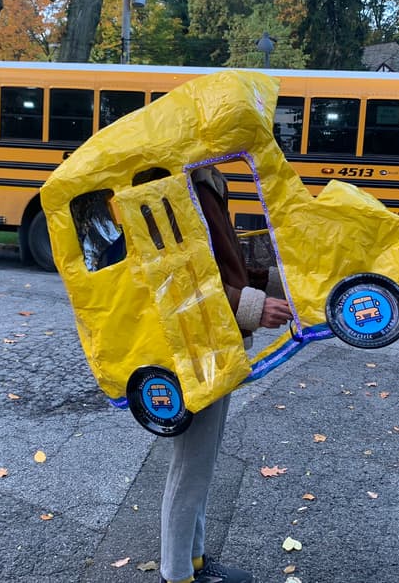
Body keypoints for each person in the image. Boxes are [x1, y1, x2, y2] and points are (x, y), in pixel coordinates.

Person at [159, 165, 292, 583]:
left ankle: (193, 562)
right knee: (190, 464)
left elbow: (221, 265)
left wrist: (276, 284)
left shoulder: (208, 179)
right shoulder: (173, 180)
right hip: (196, 343)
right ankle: (176, 573)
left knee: (201, 459)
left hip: (214, 340)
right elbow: (172, 275)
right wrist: (248, 307)